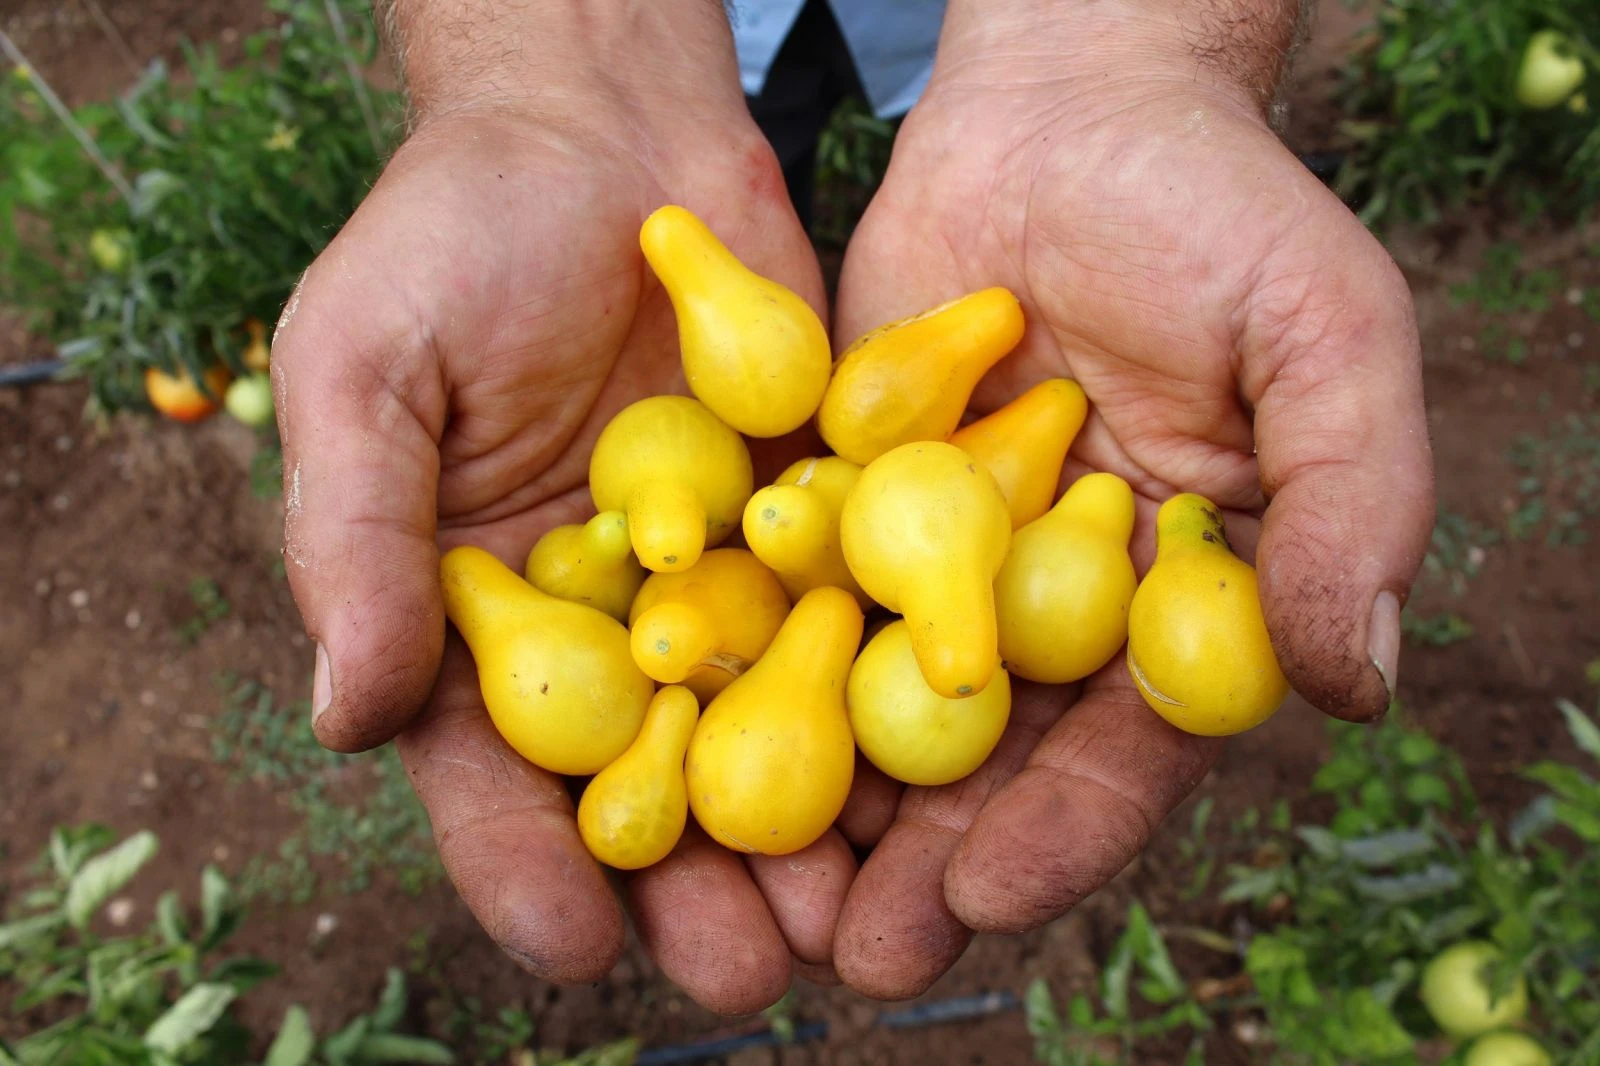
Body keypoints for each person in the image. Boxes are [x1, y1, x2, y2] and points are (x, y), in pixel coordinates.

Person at [268, 0, 1435, 1014]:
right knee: (736, 179)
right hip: (689, 77)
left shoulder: (910, 536)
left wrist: (1122, 62)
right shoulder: (792, 534)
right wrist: (546, 87)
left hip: (990, 66)